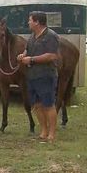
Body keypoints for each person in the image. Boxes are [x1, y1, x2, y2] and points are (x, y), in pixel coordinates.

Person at [17, 11, 59, 142]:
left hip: (46, 75)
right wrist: (23, 55)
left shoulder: (51, 36)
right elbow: (27, 50)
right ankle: (43, 130)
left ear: (37, 22)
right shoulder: (32, 36)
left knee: (48, 105)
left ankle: (52, 133)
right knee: (37, 105)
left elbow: (52, 55)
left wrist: (32, 60)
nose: (28, 22)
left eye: (30, 20)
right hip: (32, 76)